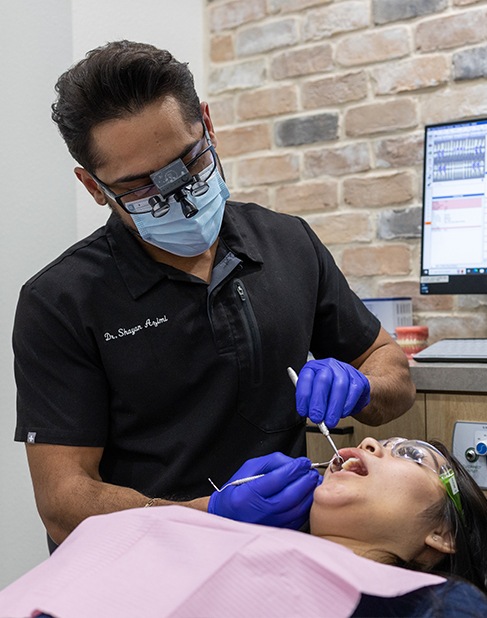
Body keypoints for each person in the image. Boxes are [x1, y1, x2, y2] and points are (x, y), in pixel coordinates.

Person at [12, 40, 415, 547]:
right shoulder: (60, 301)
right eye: (141, 188)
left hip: (283, 552)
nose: (178, 194)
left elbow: (391, 369)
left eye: (187, 162)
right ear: (95, 187)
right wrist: (213, 514)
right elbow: (63, 501)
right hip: (141, 571)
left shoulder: (288, 242)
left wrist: (363, 387)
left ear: (207, 123)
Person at [1, 436, 486, 617]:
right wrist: (204, 517)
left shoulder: (438, 606)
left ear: (441, 536)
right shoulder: (210, 545)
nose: (374, 441)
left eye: (412, 455)